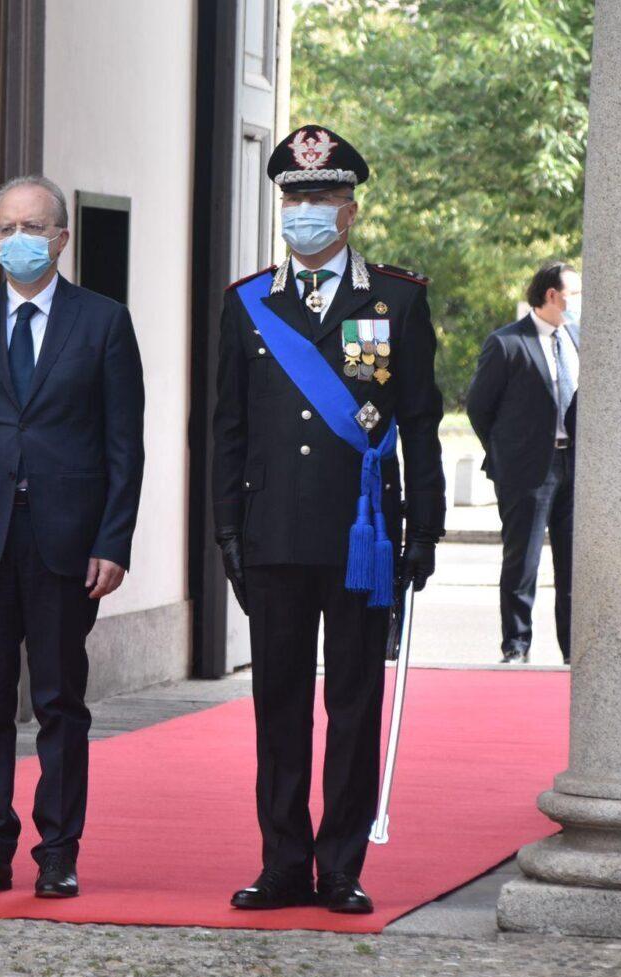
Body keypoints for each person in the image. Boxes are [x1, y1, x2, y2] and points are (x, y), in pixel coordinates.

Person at [213, 125, 446, 914]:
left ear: (349, 209)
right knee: (278, 704)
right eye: (294, 196)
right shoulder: (249, 303)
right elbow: (227, 427)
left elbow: (419, 418)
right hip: (274, 532)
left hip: (363, 538)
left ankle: (340, 865)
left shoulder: (396, 299)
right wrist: (226, 532)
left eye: (320, 196)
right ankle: (282, 863)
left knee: (352, 703)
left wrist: (425, 527)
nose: (304, 209)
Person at [0, 174, 145, 900]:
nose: (20, 241)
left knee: (58, 700)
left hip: (65, 542)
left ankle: (58, 850)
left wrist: (114, 542)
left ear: (62, 237)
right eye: (7, 229)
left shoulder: (103, 323)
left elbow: (124, 446)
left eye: (34, 228)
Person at [465, 262, 581, 664]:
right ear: (551, 295)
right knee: (523, 562)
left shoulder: (580, 339)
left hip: (575, 468)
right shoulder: (507, 343)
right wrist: (506, 455)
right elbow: (479, 408)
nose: (579, 302)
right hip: (528, 472)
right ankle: (516, 645)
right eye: (574, 294)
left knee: (573, 568)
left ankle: (574, 651)